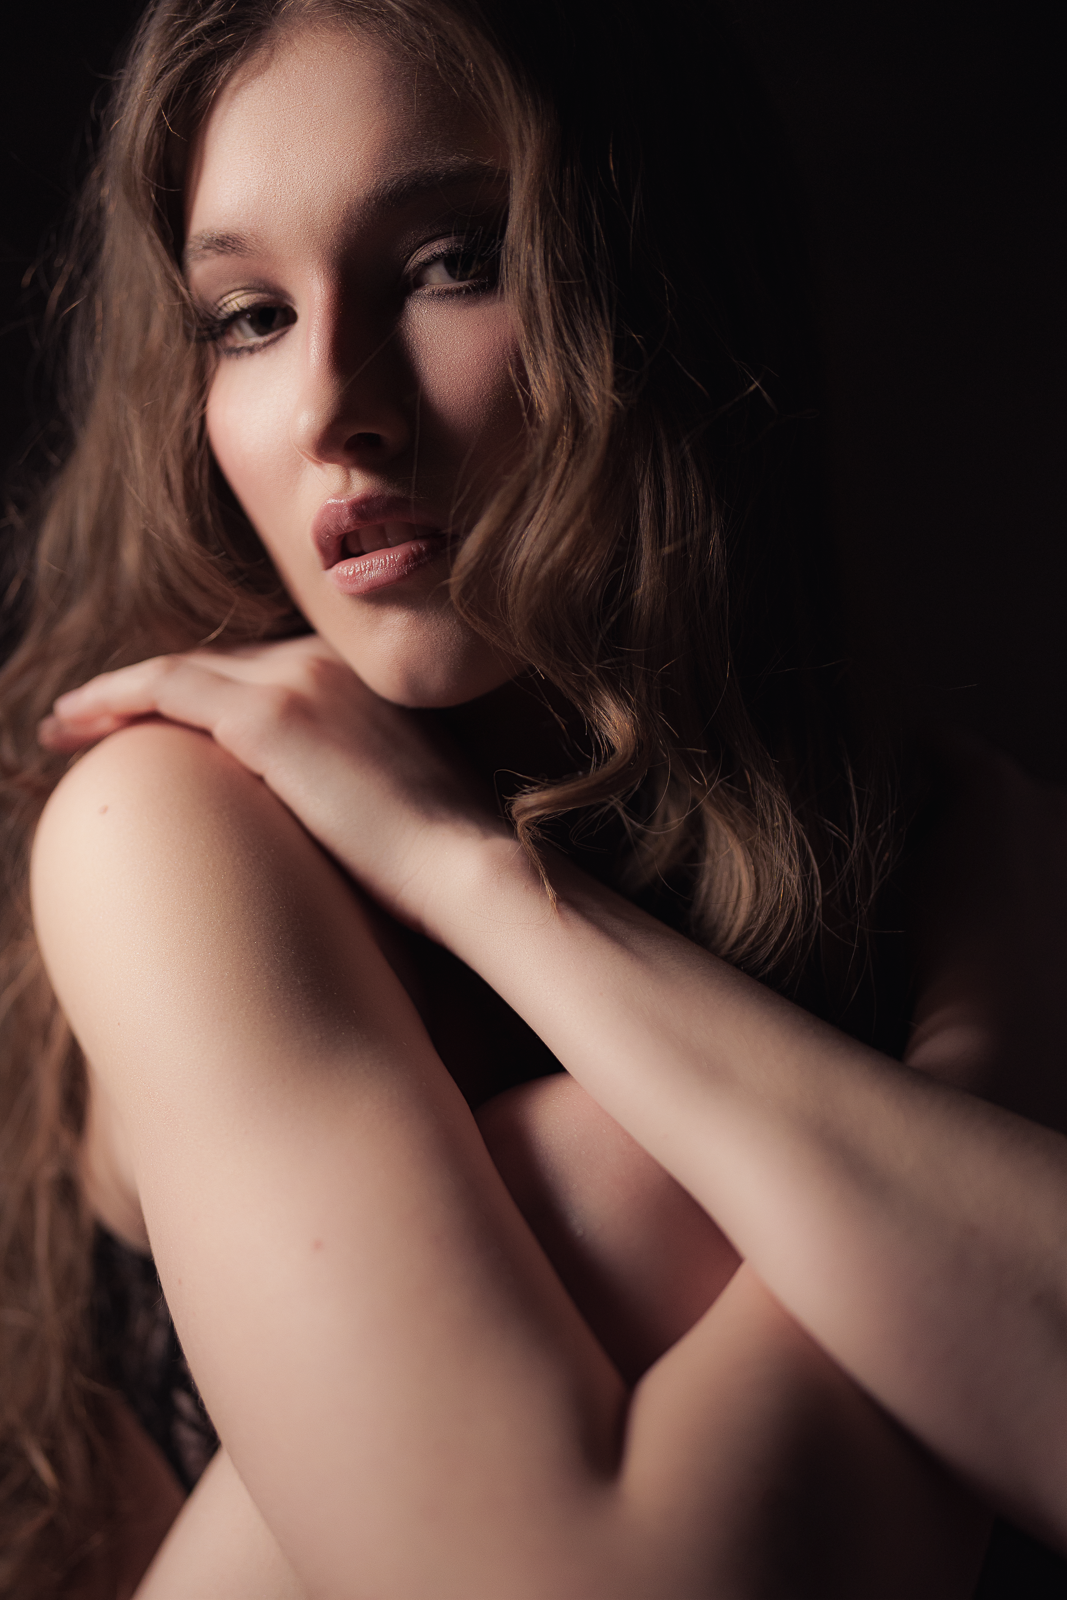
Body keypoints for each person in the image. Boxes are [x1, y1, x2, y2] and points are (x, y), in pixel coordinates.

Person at [0, 0, 1064, 1594]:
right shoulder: (166, 819)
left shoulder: (931, 835)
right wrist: (957, 1103)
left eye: (451, 263)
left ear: (656, 283)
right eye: (249, 316)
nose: (332, 407)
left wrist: (476, 883)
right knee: (642, 1182)